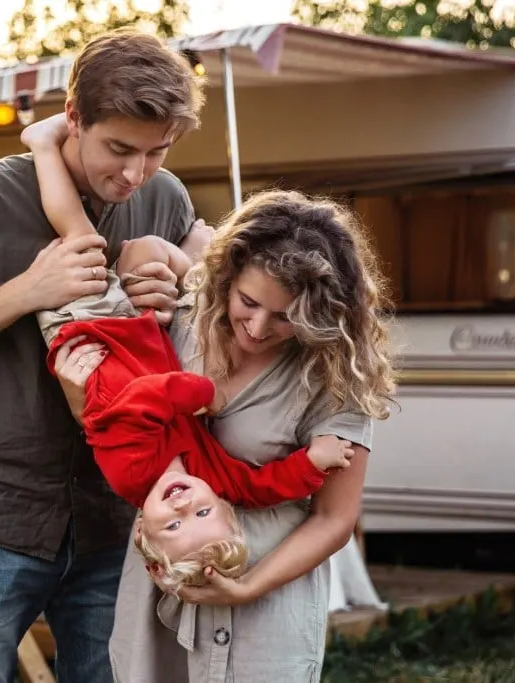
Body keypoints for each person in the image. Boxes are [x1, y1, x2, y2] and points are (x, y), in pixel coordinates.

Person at [0, 29, 207, 683]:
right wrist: (26, 291)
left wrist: (174, 292)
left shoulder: (165, 197)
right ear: (73, 117)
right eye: (118, 148)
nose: (135, 173)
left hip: (115, 517)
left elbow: (195, 336)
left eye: (156, 152)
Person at [54, 189, 397, 681]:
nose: (257, 328)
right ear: (227, 277)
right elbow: (122, 439)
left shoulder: (335, 372)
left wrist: (248, 587)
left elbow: (335, 518)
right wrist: (78, 395)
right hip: (162, 589)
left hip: (268, 601)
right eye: (248, 302)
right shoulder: (183, 319)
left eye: (285, 317)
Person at [22, 117, 356, 595]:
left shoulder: (131, 474)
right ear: (222, 506)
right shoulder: (212, 479)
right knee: (103, 245)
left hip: (89, 338)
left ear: (142, 529)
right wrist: (313, 462)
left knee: (80, 237)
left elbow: (138, 403)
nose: (184, 507)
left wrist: (201, 393)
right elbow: (259, 488)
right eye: (203, 514)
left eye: (173, 526)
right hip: (137, 338)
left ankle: (42, 147)